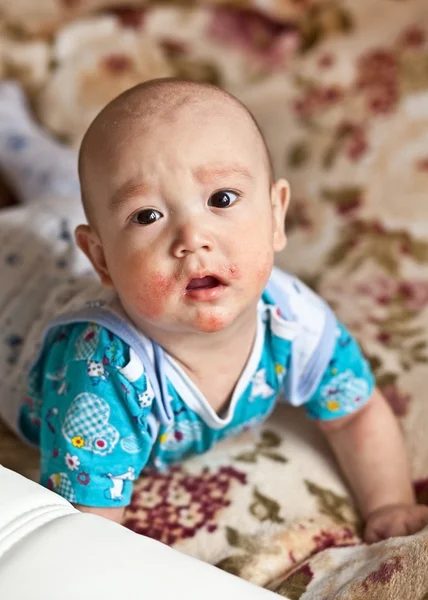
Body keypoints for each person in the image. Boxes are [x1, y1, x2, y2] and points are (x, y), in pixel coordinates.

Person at [0, 78, 427, 543]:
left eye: (221, 199)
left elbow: (356, 412)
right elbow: (88, 533)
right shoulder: (105, 372)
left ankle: (14, 133)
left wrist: (390, 503)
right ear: (101, 259)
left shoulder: (293, 318)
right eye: (147, 216)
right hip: (15, 279)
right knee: (54, 204)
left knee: (60, 186)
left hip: (63, 226)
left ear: (276, 216)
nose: (192, 238)